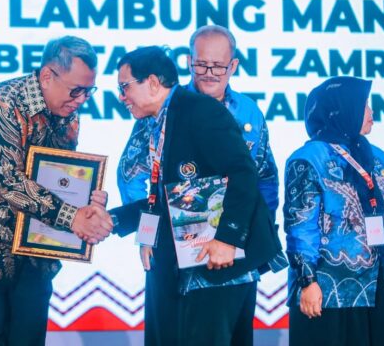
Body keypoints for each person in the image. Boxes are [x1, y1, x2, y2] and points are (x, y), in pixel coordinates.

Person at [0, 35, 113, 345]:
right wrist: (72, 216)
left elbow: (60, 176)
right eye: (76, 90)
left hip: (32, 249)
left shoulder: (67, 113)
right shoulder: (2, 103)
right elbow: (6, 178)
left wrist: (88, 199)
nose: (82, 99)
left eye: (89, 91)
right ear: (47, 76)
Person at [116, 25, 283, 345]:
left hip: (231, 251)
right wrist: (148, 234)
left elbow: (262, 178)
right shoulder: (160, 109)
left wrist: (245, 235)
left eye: (217, 66)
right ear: (189, 61)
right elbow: (137, 179)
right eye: (201, 64)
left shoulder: (249, 112)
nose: (208, 73)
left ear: (233, 65)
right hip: (175, 252)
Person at [283, 76, 384, 346]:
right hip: (330, 289)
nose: (371, 112)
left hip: (382, 283)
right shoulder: (309, 160)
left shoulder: (379, 159)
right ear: (342, 108)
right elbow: (301, 225)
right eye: (365, 104)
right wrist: (307, 279)